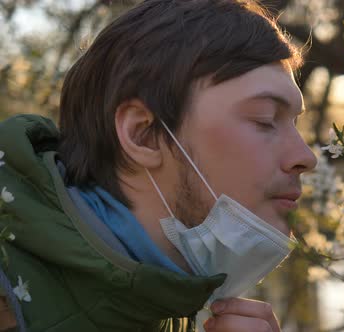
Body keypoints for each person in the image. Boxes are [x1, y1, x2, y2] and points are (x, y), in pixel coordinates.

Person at [0, 0, 317, 331]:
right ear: (144, 135)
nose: (305, 157)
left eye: (295, 123)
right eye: (264, 119)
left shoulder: (167, 304)